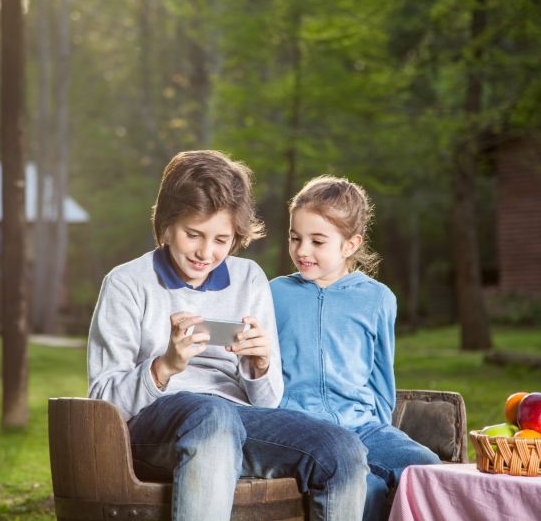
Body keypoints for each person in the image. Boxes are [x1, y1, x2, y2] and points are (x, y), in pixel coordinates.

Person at [88, 151, 368, 521]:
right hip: (153, 425)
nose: (207, 253)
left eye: (221, 239)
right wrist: (165, 366)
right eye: (193, 235)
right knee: (212, 415)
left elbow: (266, 404)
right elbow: (103, 402)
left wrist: (261, 364)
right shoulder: (126, 283)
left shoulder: (249, 278)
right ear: (167, 224)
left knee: (340, 448)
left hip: (238, 418)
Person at [270, 175, 441, 521]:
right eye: (295, 238)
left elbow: (381, 379)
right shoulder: (273, 294)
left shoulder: (377, 299)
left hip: (363, 425)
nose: (302, 250)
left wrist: (375, 429)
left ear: (350, 244)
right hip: (303, 426)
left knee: (429, 468)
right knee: (368, 487)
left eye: (317, 241)